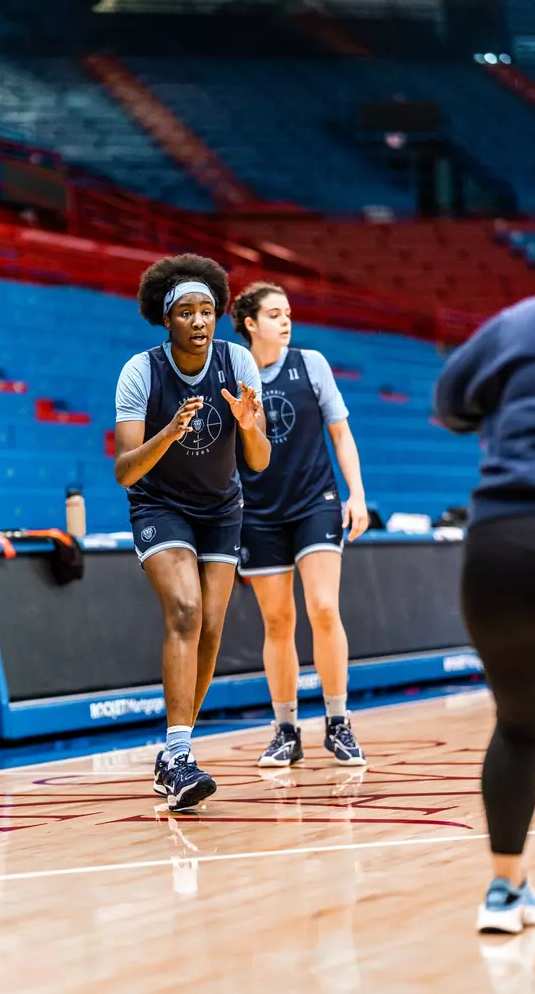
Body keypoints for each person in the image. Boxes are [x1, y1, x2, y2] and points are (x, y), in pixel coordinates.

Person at [434, 272, 535, 933]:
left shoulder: (515, 325)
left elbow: (451, 405)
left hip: (499, 548)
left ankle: (505, 891)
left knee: (518, 727)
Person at [114, 255, 271, 810]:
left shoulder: (240, 362)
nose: (200, 321)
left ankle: (171, 754)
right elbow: (125, 470)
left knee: (210, 630)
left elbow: (259, 461)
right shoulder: (140, 371)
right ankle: (180, 756)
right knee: (184, 612)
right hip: (159, 504)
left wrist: (250, 426)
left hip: (221, 508)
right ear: (166, 318)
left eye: (208, 310)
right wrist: (169, 433)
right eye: (187, 312)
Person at [230, 282, 369, 768]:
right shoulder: (230, 372)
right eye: (274, 314)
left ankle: (338, 722)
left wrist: (357, 494)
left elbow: (341, 432)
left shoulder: (311, 364)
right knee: (277, 622)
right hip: (259, 513)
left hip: (316, 502)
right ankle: (285, 730)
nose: (286, 321)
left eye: (288, 312)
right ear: (250, 323)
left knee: (324, 608)